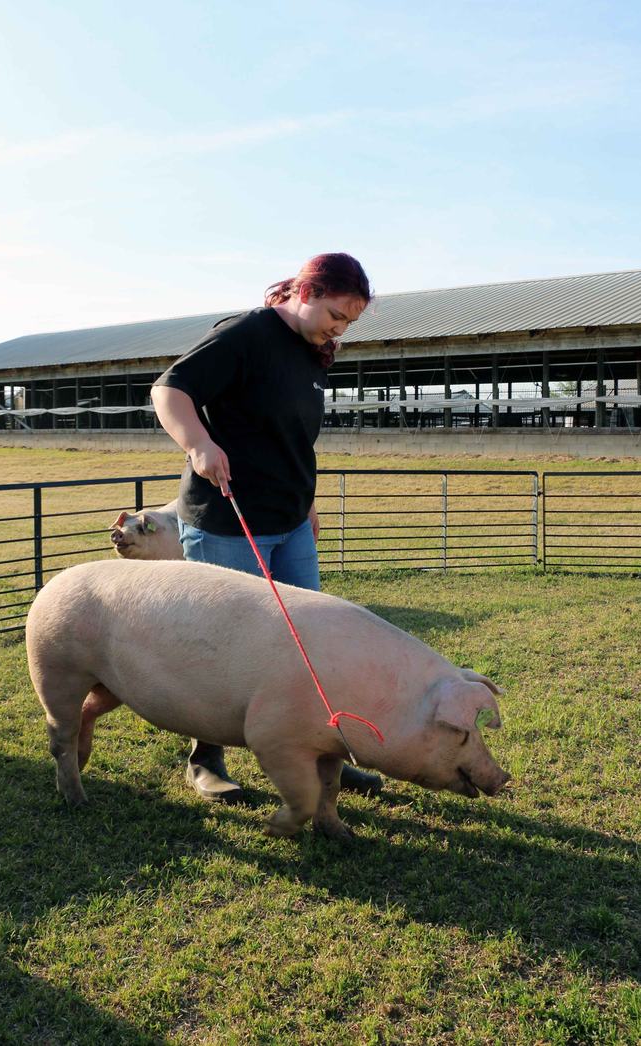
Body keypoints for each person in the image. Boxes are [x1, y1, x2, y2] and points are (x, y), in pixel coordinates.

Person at [151, 252, 382, 803]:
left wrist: (306, 503)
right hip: (227, 521)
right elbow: (169, 389)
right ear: (305, 291)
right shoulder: (246, 334)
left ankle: (324, 753)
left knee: (308, 642)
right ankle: (205, 759)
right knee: (220, 646)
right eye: (335, 313)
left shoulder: (310, 353)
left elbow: (289, 439)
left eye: (349, 321)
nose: (339, 328)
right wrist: (199, 444)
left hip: (290, 522)